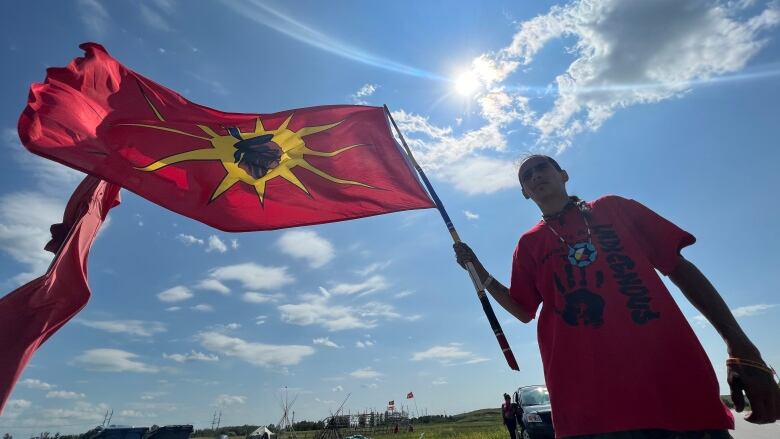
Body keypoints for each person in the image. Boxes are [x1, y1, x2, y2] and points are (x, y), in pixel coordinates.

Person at [454, 155, 779, 439]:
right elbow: (523, 310)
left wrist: (741, 345)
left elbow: (680, 269)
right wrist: (477, 268)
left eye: (542, 167)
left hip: (674, 388)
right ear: (525, 193)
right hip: (588, 409)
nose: (535, 175)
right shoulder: (528, 245)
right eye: (527, 176)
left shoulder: (613, 208)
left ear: (563, 174)